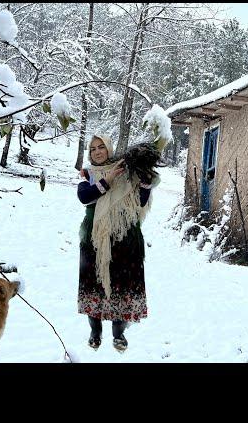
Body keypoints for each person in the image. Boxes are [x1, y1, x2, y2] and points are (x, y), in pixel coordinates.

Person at [76, 134, 155, 352]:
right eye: (93, 149)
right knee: (95, 284)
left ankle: (118, 333)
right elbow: (84, 196)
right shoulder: (87, 174)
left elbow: (140, 200)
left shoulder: (126, 172)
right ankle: (95, 330)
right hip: (95, 239)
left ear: (109, 149)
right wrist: (107, 180)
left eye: (101, 147)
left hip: (124, 239)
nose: (97, 152)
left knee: (121, 287)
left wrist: (146, 180)